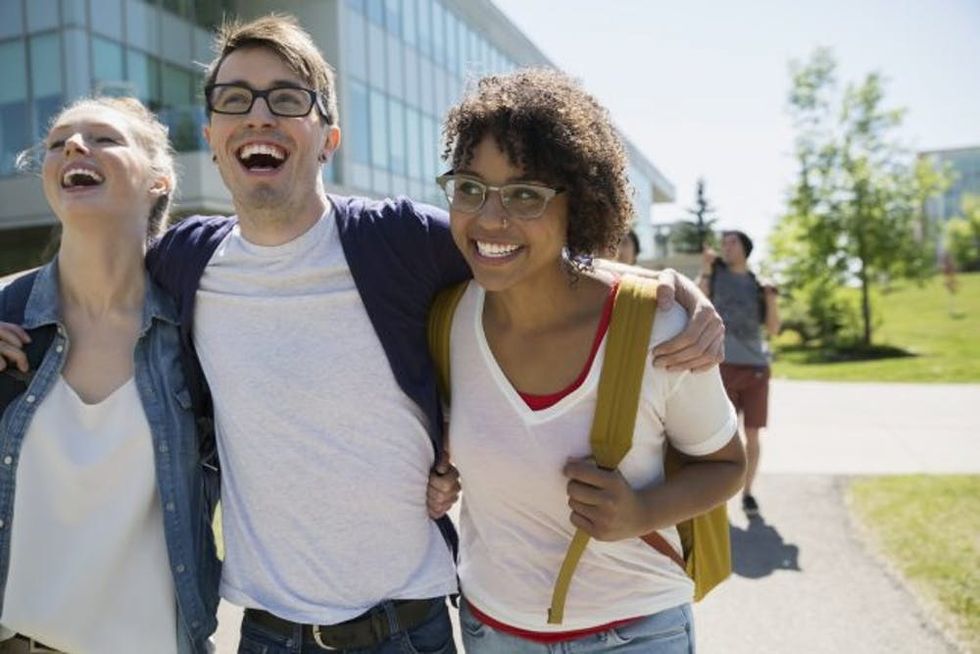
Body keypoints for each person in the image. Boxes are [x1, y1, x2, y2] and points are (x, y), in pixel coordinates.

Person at [4, 15, 724, 653]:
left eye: (287, 99)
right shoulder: (186, 262)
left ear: (329, 140)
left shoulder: (398, 241)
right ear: (214, 139)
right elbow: (91, 279)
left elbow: (520, 242)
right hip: (267, 632)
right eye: (234, 100)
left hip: (409, 628)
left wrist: (660, 287)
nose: (258, 116)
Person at [432, 68, 746, 653]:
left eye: (525, 194)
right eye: (470, 187)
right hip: (488, 630)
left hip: (635, 633)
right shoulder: (444, 317)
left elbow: (727, 464)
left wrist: (642, 511)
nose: (491, 218)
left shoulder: (660, 327)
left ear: (580, 204)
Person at [0, 97, 219, 653]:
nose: (74, 147)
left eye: (104, 139)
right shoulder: (7, 312)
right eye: (58, 143)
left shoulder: (200, 331)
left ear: (158, 181)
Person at [698, 230, 780, 516]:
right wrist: (707, 269)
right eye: (724, 243)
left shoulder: (758, 284)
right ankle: (717, 498)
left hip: (756, 368)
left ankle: (748, 493)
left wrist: (770, 298)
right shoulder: (716, 275)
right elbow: (698, 299)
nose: (726, 247)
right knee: (721, 435)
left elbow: (773, 329)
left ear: (745, 248)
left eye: (732, 242)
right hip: (722, 366)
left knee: (752, 435)